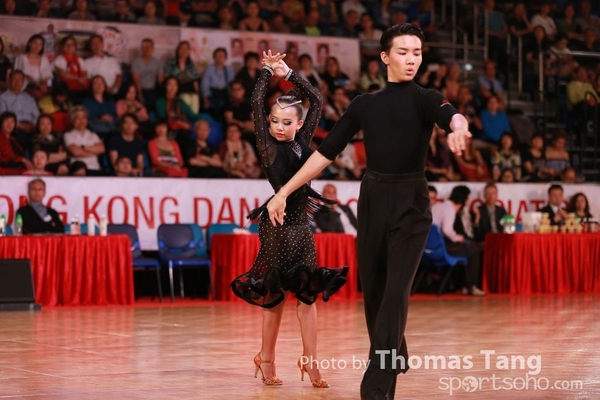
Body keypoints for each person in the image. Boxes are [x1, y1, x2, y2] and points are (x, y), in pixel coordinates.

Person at [266, 24, 472, 400]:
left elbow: (452, 115)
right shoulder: (365, 104)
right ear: (385, 57)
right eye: (403, 52)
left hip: (412, 202)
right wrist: (284, 192)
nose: (411, 59)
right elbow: (325, 153)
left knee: (395, 293)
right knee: (375, 295)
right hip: (373, 198)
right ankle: (395, 351)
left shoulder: (426, 98)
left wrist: (459, 127)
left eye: (417, 52)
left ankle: (377, 388)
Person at [230, 50, 349, 389]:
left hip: (301, 227)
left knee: (307, 297)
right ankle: (266, 358)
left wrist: (289, 72)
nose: (279, 127)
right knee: (276, 295)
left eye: (286, 122)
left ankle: (310, 360)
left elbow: (317, 99)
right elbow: (256, 103)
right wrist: (267, 72)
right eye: (274, 121)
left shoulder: (303, 141)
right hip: (277, 226)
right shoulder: (268, 147)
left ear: (299, 123)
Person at [431, 185, 485, 296]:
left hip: (429, 248)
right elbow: (447, 230)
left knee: (470, 247)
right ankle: (471, 286)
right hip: (441, 248)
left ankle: (465, 285)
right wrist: (457, 237)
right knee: (474, 249)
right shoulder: (450, 209)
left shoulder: (437, 205)